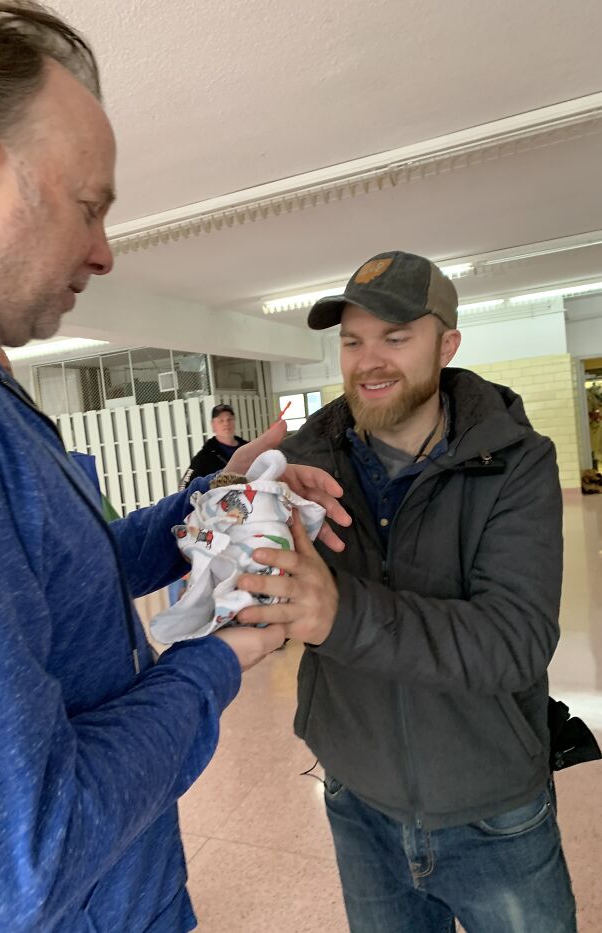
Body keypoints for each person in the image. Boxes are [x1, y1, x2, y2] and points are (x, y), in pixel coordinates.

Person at [0, 4, 350, 931]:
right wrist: (219, 659)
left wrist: (219, 496)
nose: (104, 252)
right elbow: (8, 872)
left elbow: (58, 578)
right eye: (89, 207)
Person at [235, 251, 577, 932]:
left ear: (446, 346)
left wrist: (342, 613)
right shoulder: (308, 459)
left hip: (494, 809)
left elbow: (515, 640)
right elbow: (233, 579)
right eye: (353, 341)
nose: (370, 361)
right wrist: (233, 491)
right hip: (357, 800)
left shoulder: (515, 460)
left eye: (395, 337)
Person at [179, 403, 248, 489]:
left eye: (229, 419)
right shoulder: (204, 457)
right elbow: (184, 486)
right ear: (213, 425)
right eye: (221, 421)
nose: (226, 423)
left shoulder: (248, 449)